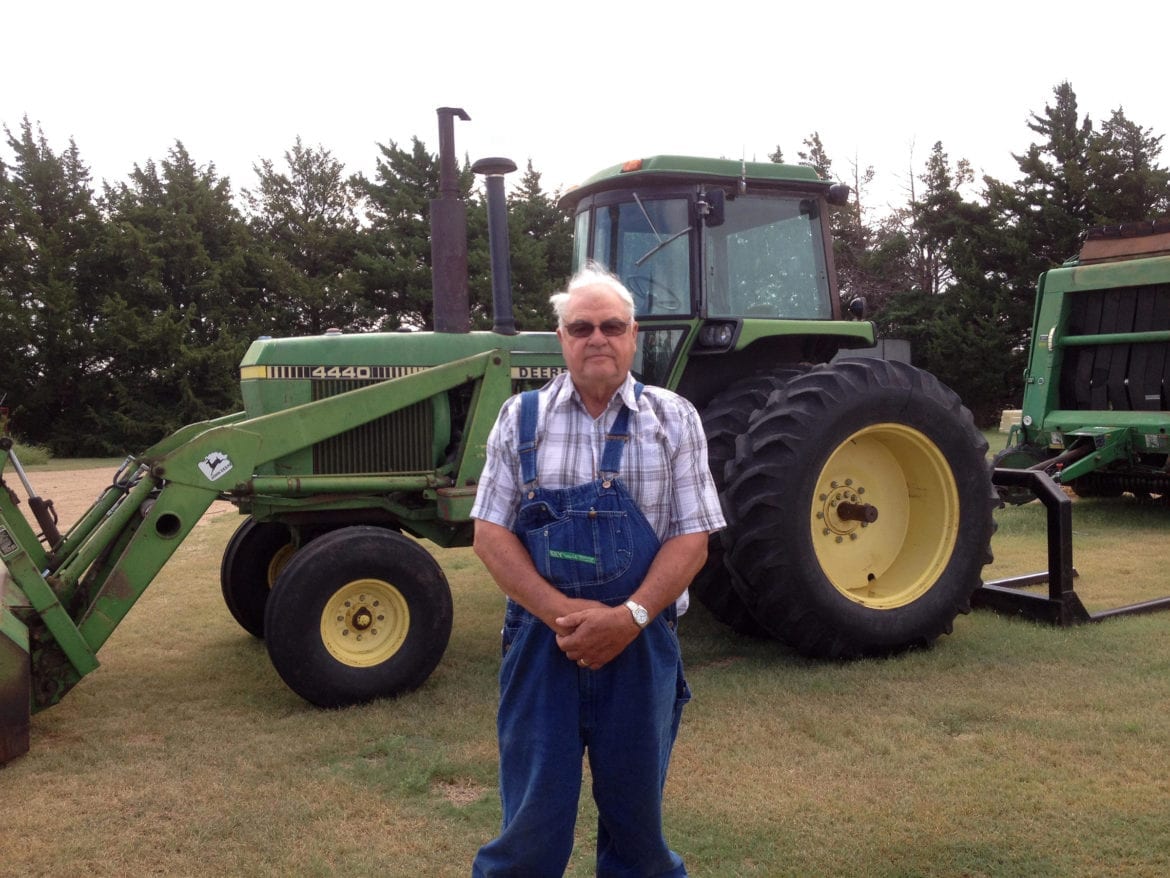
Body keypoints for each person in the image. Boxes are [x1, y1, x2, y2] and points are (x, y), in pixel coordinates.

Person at [469, 263, 727, 877]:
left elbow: (693, 538)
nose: (597, 338)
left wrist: (630, 617)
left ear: (633, 335)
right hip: (541, 644)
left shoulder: (673, 419)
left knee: (638, 826)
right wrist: (569, 617)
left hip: (642, 649)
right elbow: (488, 533)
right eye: (580, 326)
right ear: (561, 338)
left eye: (612, 325)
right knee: (530, 826)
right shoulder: (519, 419)